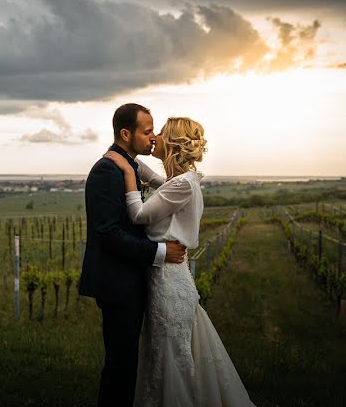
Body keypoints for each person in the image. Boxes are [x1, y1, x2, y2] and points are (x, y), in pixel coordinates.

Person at [104, 117, 255, 407]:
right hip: (169, 277)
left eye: (159, 133)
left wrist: (125, 171)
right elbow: (155, 181)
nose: (154, 137)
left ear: (171, 143)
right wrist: (129, 160)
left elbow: (138, 214)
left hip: (168, 283)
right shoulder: (182, 182)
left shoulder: (182, 185)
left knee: (168, 357)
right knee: (164, 354)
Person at [79, 103, 188, 407]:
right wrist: (160, 252)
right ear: (126, 133)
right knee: (120, 366)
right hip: (117, 283)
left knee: (128, 364)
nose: (153, 137)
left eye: (154, 130)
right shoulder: (106, 170)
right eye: (147, 130)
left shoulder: (129, 165)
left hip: (131, 280)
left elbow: (167, 190)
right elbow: (109, 233)